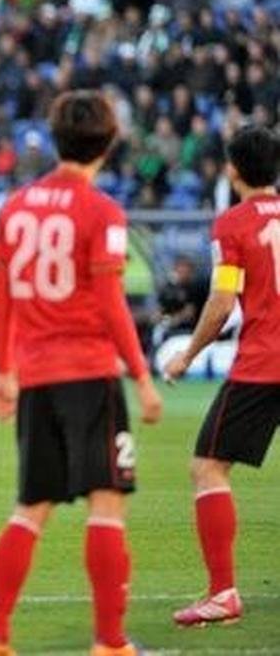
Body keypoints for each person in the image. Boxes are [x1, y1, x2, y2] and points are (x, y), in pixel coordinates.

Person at [0, 91, 163, 656]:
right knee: (106, 506)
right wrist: (143, 376)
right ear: (109, 142)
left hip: (34, 376)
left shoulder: (15, 207)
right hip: (89, 375)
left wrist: (3, 369)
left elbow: (2, 295)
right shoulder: (103, 212)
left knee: (30, 510)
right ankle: (110, 642)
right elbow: (111, 304)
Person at [163, 126, 280, 627]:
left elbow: (222, 301)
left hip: (264, 363)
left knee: (208, 466)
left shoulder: (232, 225)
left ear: (233, 169)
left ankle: (223, 593)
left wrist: (188, 354)